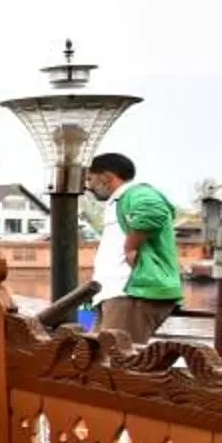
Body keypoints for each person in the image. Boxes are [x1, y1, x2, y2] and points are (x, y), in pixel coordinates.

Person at [86, 151, 182, 354]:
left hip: (130, 293)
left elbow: (152, 211)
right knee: (98, 360)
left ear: (105, 177)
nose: (89, 185)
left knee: (118, 363)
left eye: (90, 178)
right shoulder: (119, 201)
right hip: (115, 293)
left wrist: (131, 246)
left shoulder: (136, 193)